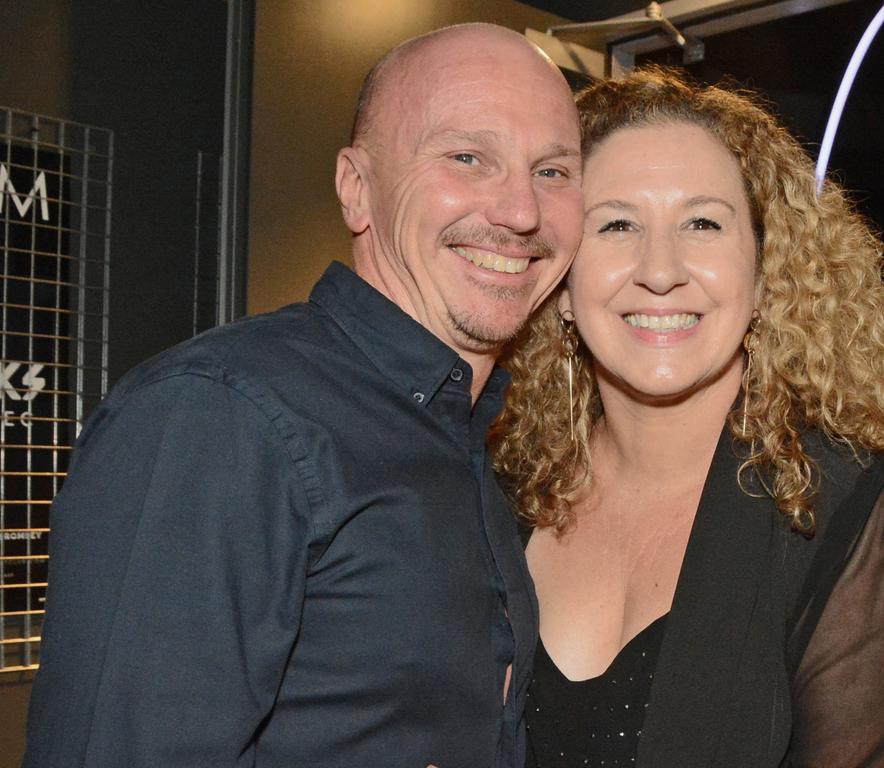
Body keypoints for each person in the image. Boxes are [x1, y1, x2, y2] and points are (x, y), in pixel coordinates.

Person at [23, 24, 583, 768]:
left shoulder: (464, 433)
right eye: (466, 157)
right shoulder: (222, 415)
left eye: (552, 171)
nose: (520, 211)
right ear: (357, 188)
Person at [491, 67, 884, 767]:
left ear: (764, 271)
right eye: (617, 224)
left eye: (703, 223)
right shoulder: (503, 487)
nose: (660, 269)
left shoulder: (854, 511)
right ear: (561, 282)